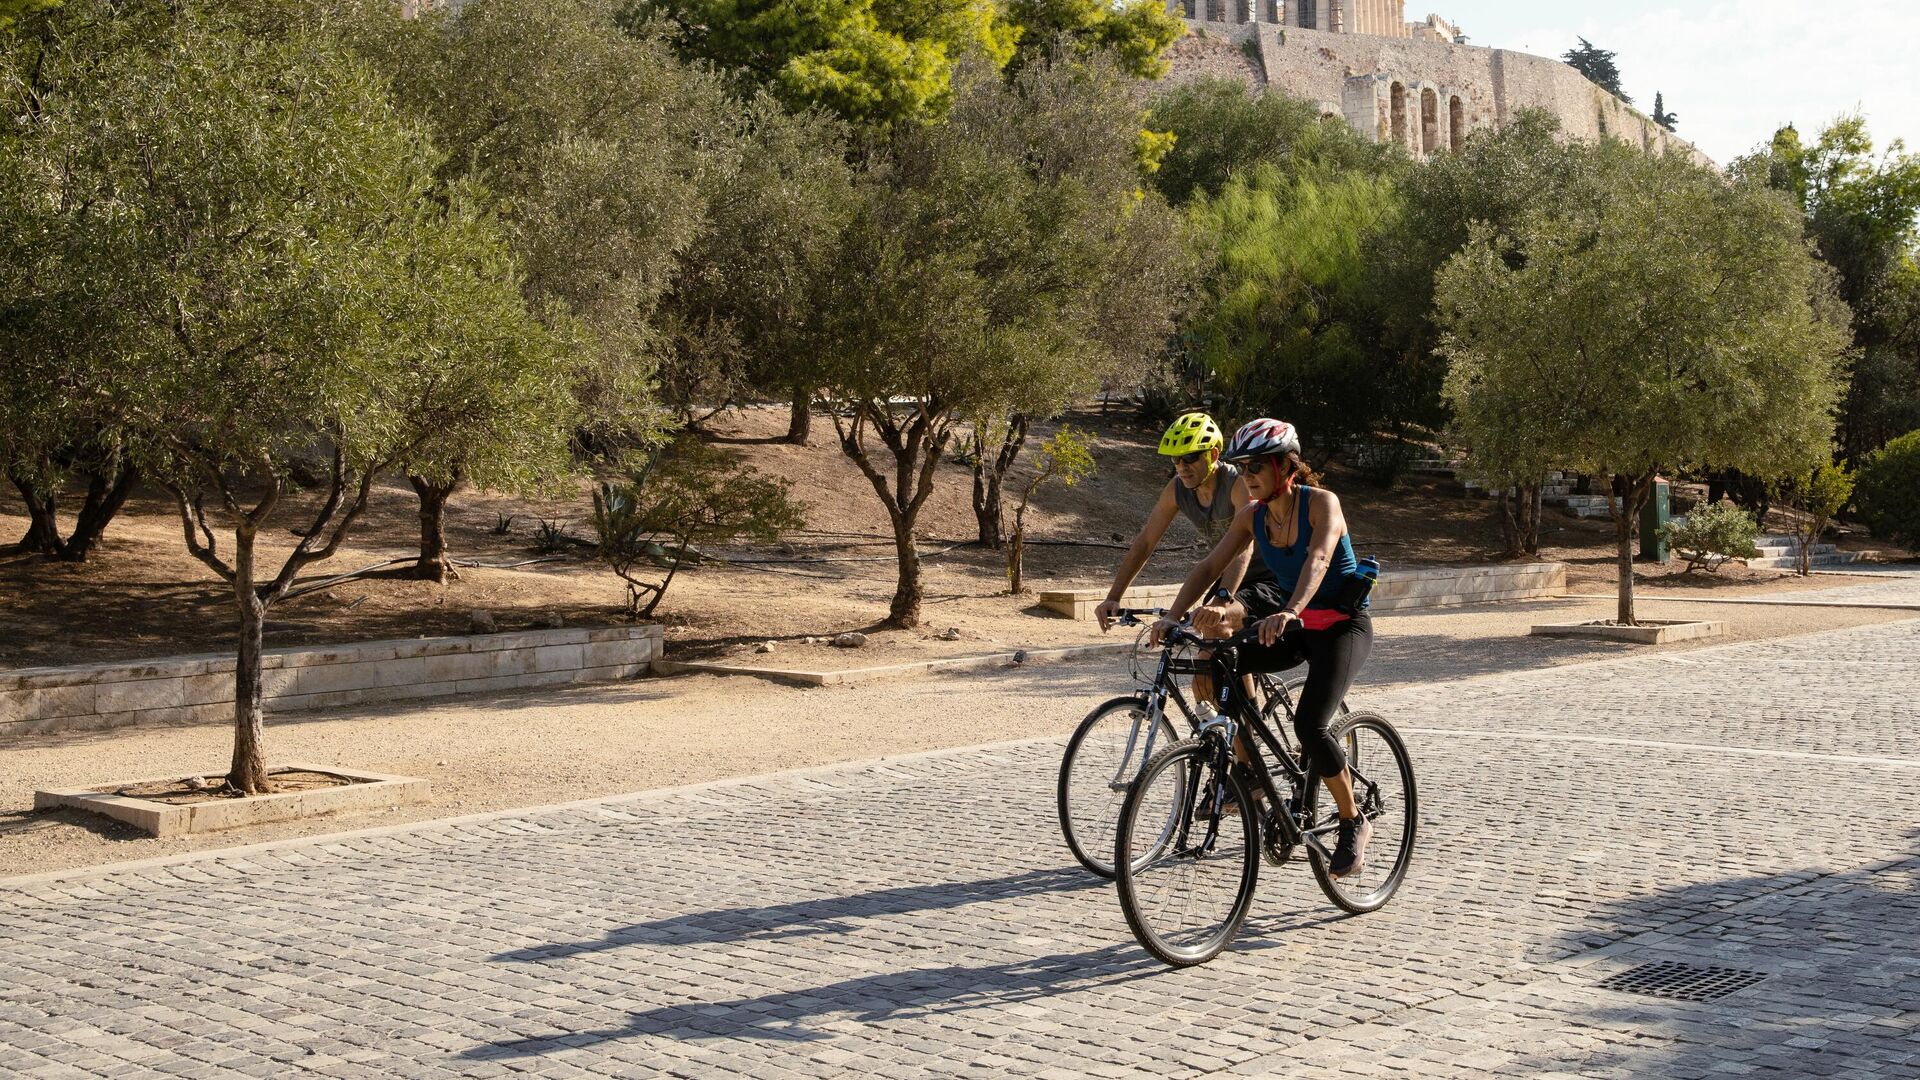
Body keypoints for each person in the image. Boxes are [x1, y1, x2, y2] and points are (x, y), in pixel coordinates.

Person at [1149, 418, 1376, 879]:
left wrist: (1291, 610)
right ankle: (1250, 773)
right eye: (1242, 466)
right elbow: (1209, 564)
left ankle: (1354, 820)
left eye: (1257, 465)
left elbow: (1318, 559)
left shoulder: (1322, 505)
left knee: (1310, 725)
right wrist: (1173, 616)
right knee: (1217, 666)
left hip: (1340, 628)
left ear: (1285, 466)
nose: (1248, 474)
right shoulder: (1252, 514)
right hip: (1294, 626)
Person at [1093, 412, 1271, 633]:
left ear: (1213, 454)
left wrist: (1222, 598)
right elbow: (1146, 542)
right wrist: (1113, 597)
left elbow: (1244, 546)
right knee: (1219, 653)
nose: (1182, 466)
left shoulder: (1237, 484)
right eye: (1175, 459)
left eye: (1190, 458)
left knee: (1216, 627)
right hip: (1229, 575)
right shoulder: (1176, 489)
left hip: (1266, 576)